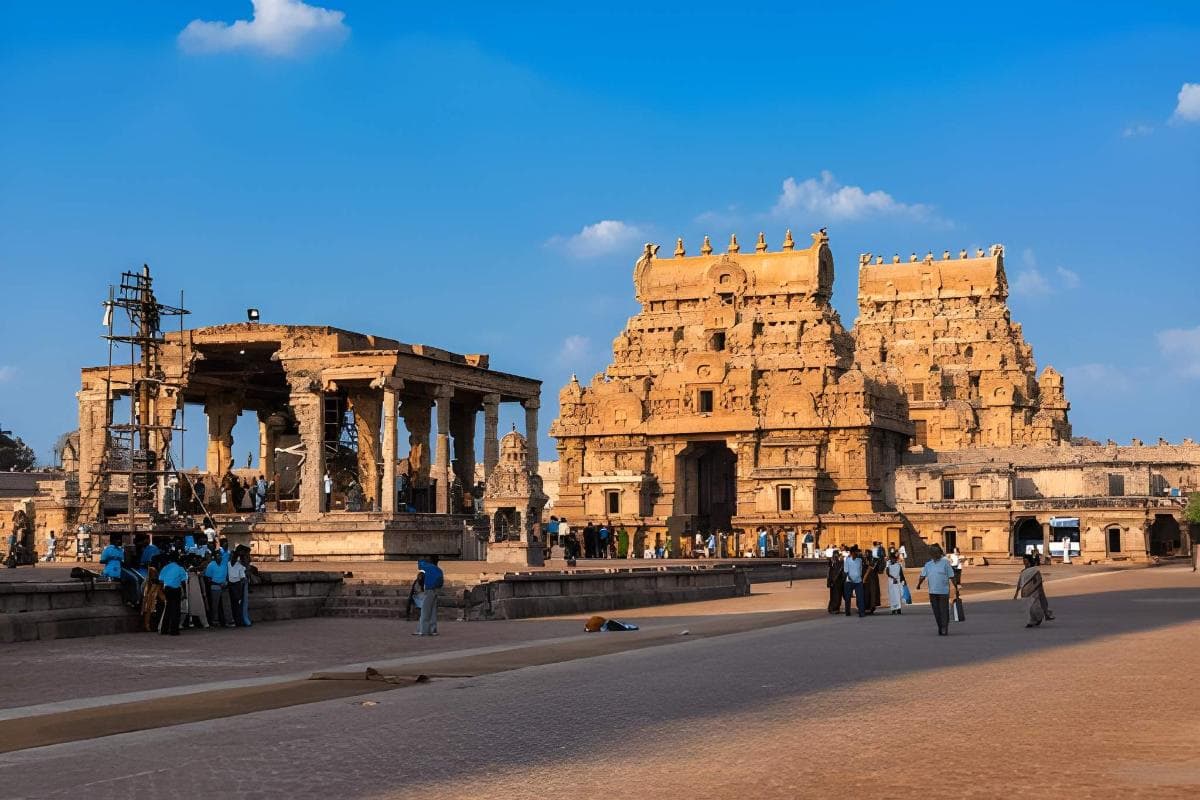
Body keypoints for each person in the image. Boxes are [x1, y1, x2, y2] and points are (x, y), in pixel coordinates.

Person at [917, 544, 958, 636]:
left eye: (936, 553)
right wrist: (919, 584)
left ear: (940, 553)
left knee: (944, 610)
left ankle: (944, 627)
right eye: (933, 553)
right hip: (932, 592)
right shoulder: (928, 565)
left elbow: (952, 576)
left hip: (943, 592)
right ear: (931, 554)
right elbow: (922, 576)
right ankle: (940, 626)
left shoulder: (945, 564)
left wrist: (956, 587)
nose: (935, 555)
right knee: (936, 611)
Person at [157, 553, 189, 636]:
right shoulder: (180, 568)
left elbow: (160, 580)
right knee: (176, 610)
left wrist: (162, 590)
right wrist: (184, 592)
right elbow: (183, 581)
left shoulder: (165, 568)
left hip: (167, 589)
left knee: (168, 609)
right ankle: (174, 630)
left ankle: (164, 629)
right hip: (176, 589)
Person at [413, 555, 443, 636]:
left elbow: (420, 566)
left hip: (428, 590)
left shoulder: (427, 567)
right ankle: (433, 629)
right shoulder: (439, 569)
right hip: (436, 590)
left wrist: (421, 560)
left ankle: (423, 630)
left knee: (425, 611)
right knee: (433, 611)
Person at [204, 548, 232, 627]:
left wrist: (225, 582)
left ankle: (228, 620)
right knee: (215, 605)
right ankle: (215, 620)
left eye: (220, 555)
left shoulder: (224, 563)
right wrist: (217, 583)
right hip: (215, 586)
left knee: (226, 604)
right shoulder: (211, 565)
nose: (219, 557)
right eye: (217, 555)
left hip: (224, 586)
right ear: (214, 557)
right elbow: (208, 578)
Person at [842, 545, 866, 618]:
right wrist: (850, 578)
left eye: (857, 552)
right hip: (849, 581)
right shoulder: (847, 560)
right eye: (855, 552)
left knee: (860, 597)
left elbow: (860, 570)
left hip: (858, 581)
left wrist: (860, 577)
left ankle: (861, 612)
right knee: (848, 597)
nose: (857, 554)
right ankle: (847, 611)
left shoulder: (859, 560)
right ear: (852, 553)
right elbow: (846, 571)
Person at [227, 550, 247, 627]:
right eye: (230, 556)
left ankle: (239, 621)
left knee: (237, 603)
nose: (232, 557)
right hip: (230, 585)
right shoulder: (228, 564)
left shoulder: (239, 566)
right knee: (232, 604)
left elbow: (242, 578)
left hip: (237, 585)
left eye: (233, 556)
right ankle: (235, 620)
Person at [826, 549, 845, 614]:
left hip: (838, 581)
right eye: (835, 554)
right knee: (834, 595)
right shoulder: (832, 562)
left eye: (836, 554)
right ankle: (833, 608)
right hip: (834, 581)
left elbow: (842, 572)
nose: (835, 556)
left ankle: (835, 608)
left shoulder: (840, 562)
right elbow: (829, 572)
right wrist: (829, 581)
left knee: (837, 595)